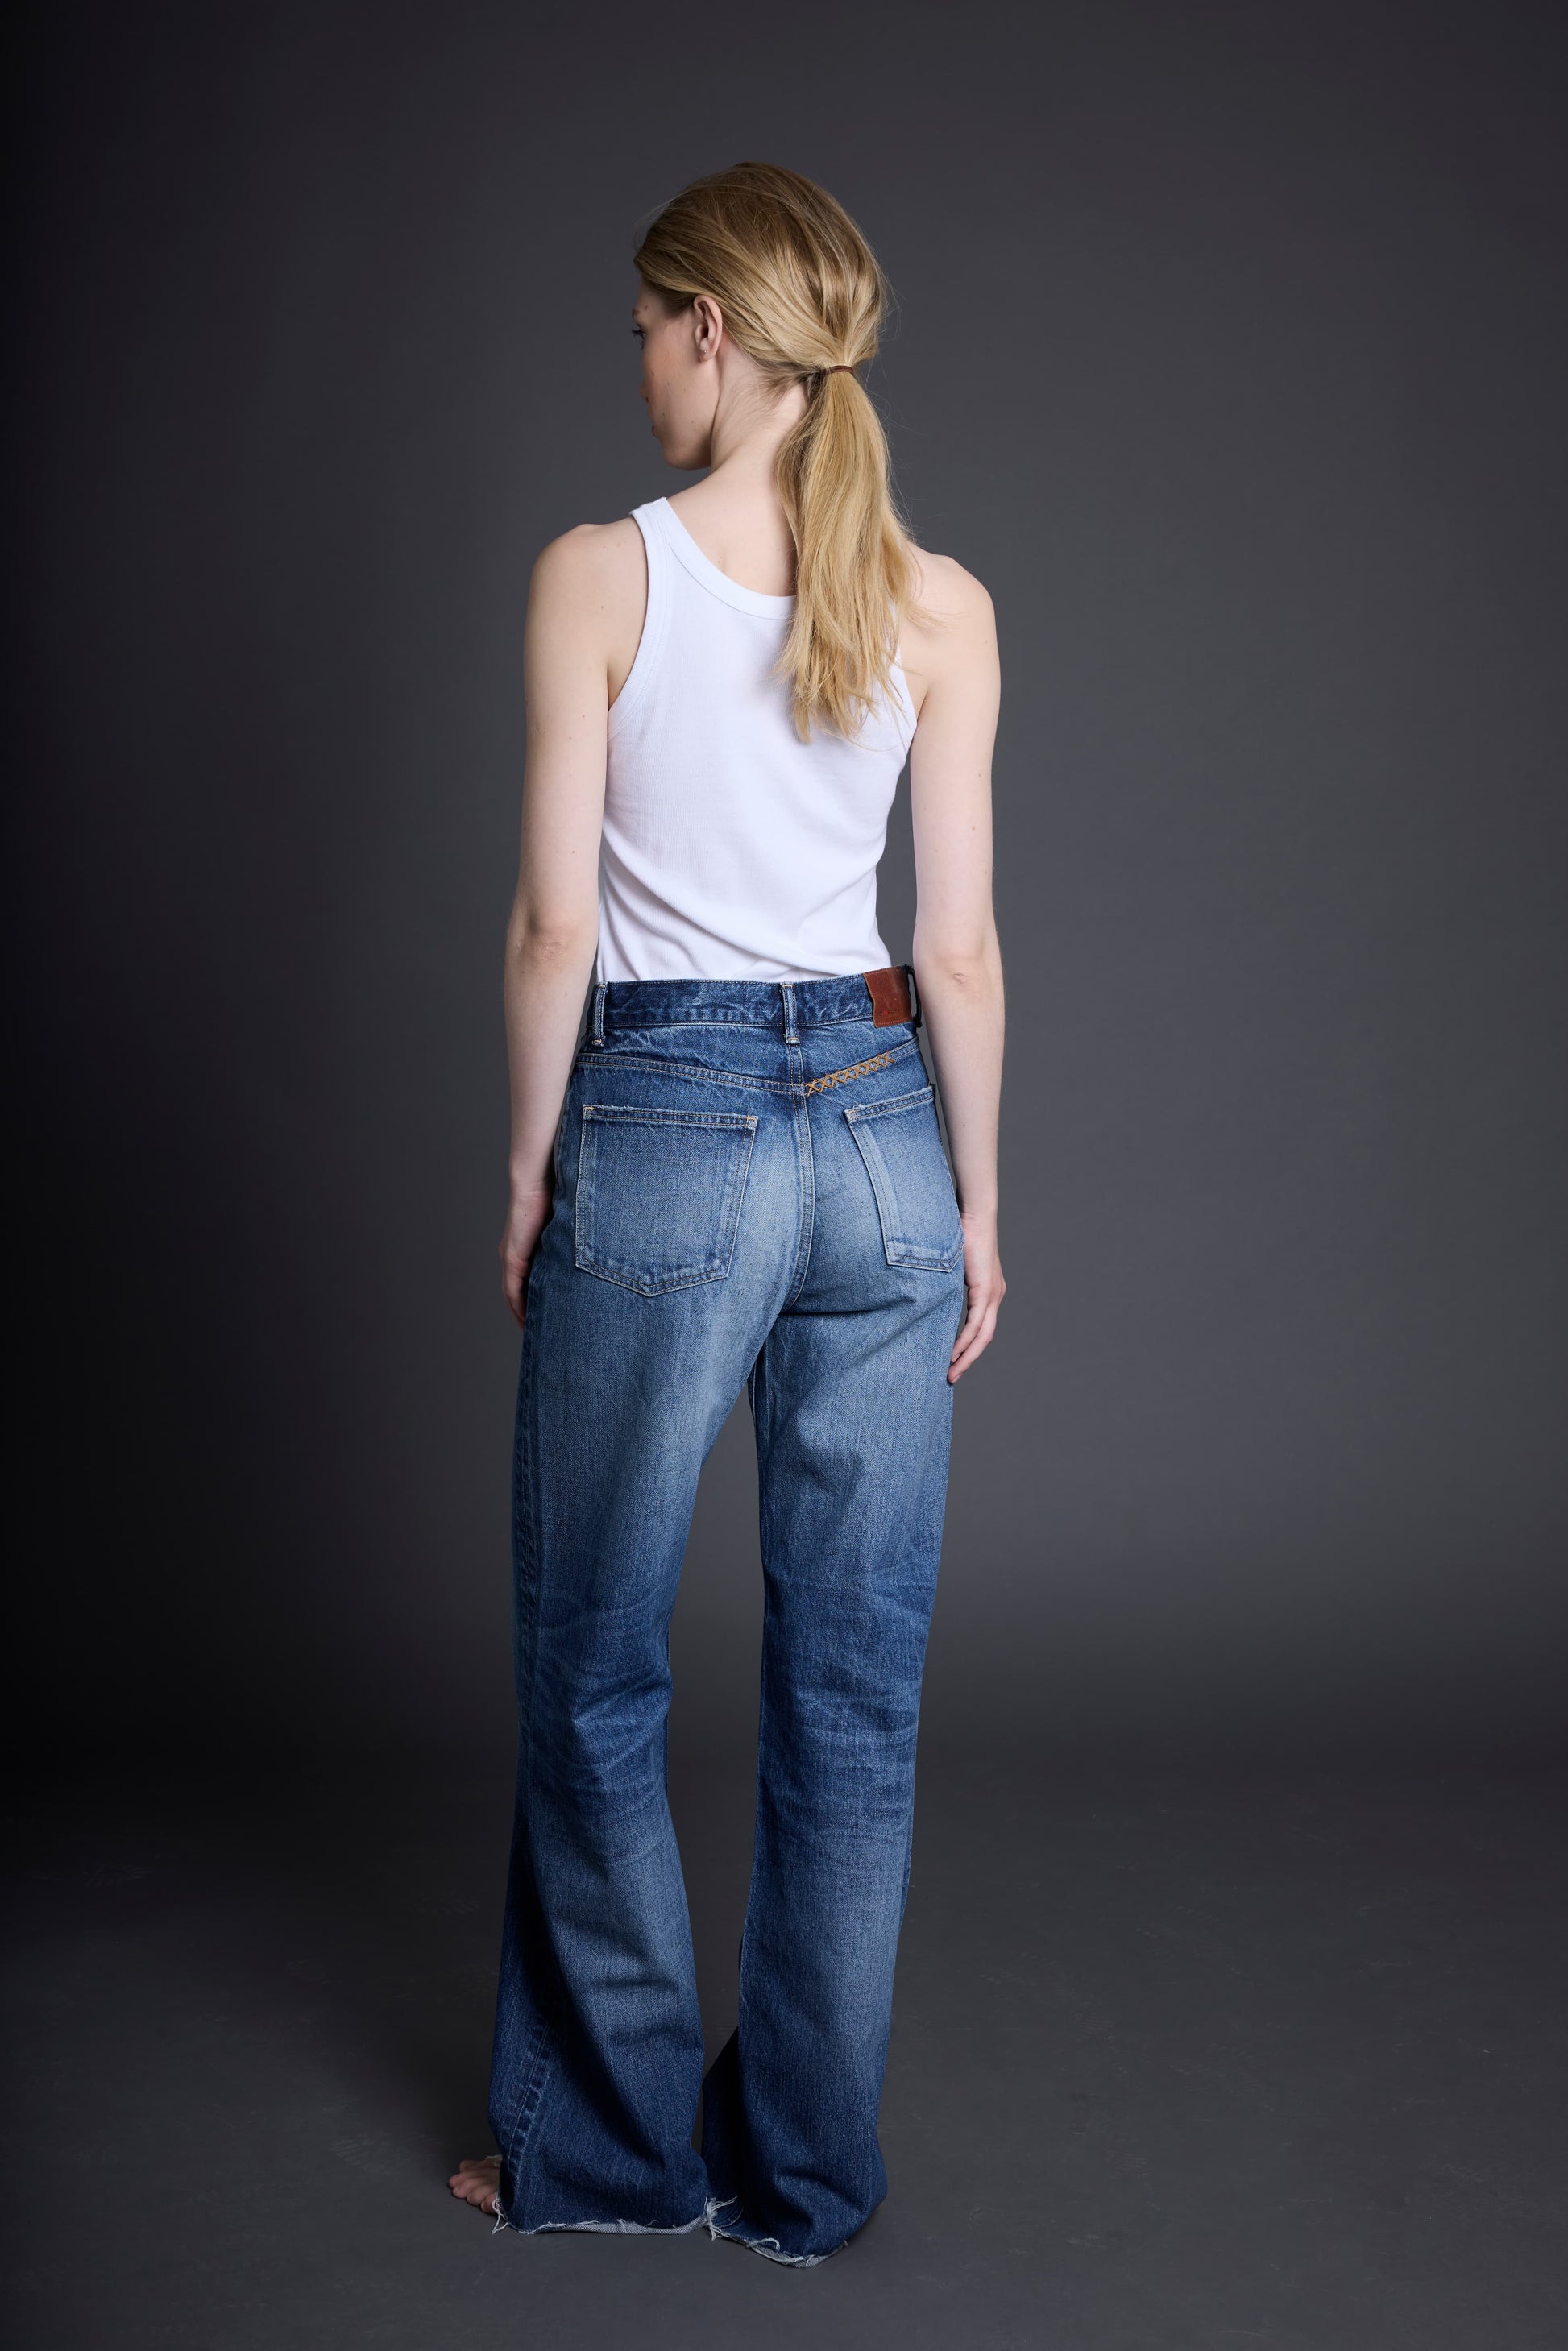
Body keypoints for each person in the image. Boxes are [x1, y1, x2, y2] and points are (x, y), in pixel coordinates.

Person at [449, 160, 1004, 2267]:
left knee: (594, 1662)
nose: (637, 368)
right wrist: (977, 1206)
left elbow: (550, 925)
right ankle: (804, 2176)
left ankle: (610, 2153)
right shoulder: (940, 600)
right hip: (881, 1135)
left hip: (666, 1121)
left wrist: (532, 1169)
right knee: (854, 1691)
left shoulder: (601, 575)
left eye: (645, 330)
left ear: (711, 331)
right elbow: (956, 951)